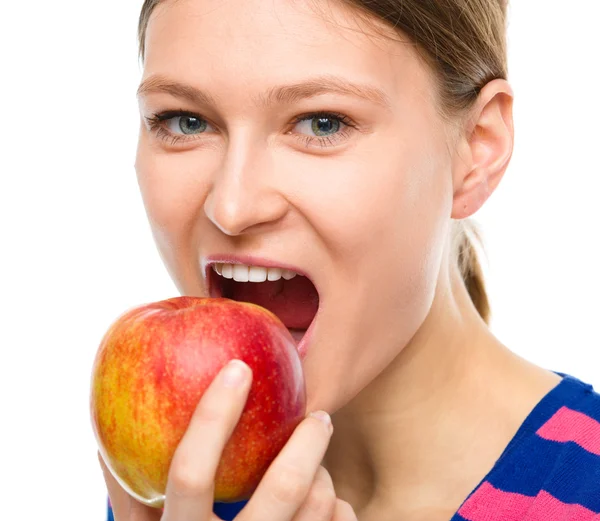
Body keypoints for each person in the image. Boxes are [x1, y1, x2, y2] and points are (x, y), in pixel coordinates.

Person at [99, 0, 600, 520]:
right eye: (185, 121)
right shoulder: (187, 488)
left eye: (321, 123)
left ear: (478, 148)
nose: (231, 207)